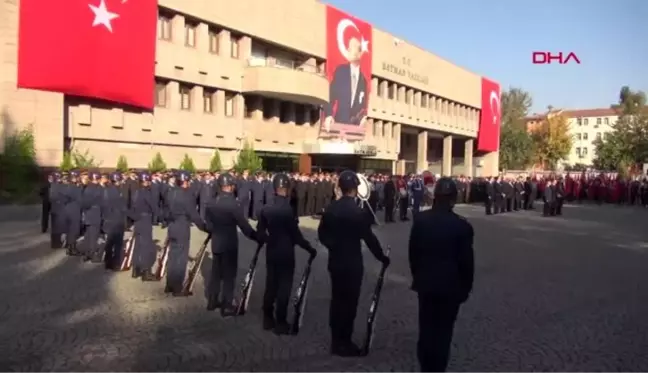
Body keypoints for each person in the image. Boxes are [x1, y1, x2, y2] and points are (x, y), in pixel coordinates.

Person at [317, 170, 390, 357]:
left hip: (335, 261)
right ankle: (345, 342)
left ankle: (335, 340)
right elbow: (369, 238)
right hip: (352, 264)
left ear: (340, 187)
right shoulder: (359, 212)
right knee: (349, 304)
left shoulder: (330, 208)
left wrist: (333, 246)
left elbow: (322, 234)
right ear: (356, 189)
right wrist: (382, 257)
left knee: (336, 301)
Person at [408, 177, 474, 373]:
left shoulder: (421, 221)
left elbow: (413, 254)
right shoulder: (462, 226)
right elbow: (467, 263)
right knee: (443, 332)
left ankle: (426, 367)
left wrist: (418, 277)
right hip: (450, 288)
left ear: (435, 196)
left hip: (426, 285)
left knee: (426, 328)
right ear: (453, 199)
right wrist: (465, 289)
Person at [256, 173, 317, 334]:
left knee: (271, 285)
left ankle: (267, 318)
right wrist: (309, 248)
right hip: (286, 252)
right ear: (286, 189)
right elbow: (296, 235)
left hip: (272, 251)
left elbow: (260, 232)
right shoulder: (287, 210)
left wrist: (268, 240)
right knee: (284, 287)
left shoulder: (266, 208)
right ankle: (281, 322)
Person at [204, 172, 259, 316]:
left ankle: (212, 301)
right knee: (229, 275)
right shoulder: (233, 204)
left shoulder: (211, 202)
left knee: (216, 274)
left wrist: (214, 230)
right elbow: (245, 227)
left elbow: (208, 224)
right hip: (229, 244)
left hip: (216, 243)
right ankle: (227, 305)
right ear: (229, 186)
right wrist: (258, 237)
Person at [164, 171, 209, 295]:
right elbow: (193, 214)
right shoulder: (186, 195)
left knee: (173, 256)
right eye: (188, 181)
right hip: (182, 226)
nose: (189, 183)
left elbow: (165, 210)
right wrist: (205, 227)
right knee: (181, 258)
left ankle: (169, 284)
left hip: (172, 226)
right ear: (185, 181)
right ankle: (177, 287)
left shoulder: (170, 192)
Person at [323, 36, 369, 129]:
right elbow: (330, 96)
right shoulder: (341, 71)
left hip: (354, 130)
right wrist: (328, 115)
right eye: (349, 47)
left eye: (352, 47)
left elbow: (362, 107)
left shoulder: (363, 80)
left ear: (360, 53)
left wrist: (363, 118)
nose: (348, 49)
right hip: (339, 125)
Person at [128, 172, 158, 281]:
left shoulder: (136, 192)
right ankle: (146, 271)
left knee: (138, 245)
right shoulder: (147, 192)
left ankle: (136, 269)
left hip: (138, 220)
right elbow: (154, 206)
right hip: (145, 219)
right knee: (146, 246)